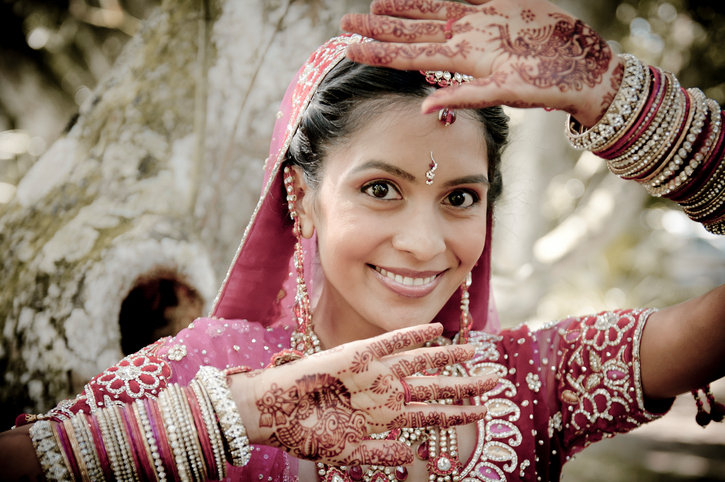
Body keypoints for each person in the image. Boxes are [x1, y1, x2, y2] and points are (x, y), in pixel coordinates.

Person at [1, 0, 724, 481]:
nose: (422, 242)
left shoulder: (529, 383)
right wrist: (245, 412)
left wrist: (611, 91)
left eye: (459, 197)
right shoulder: (205, 371)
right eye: (380, 189)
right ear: (301, 199)